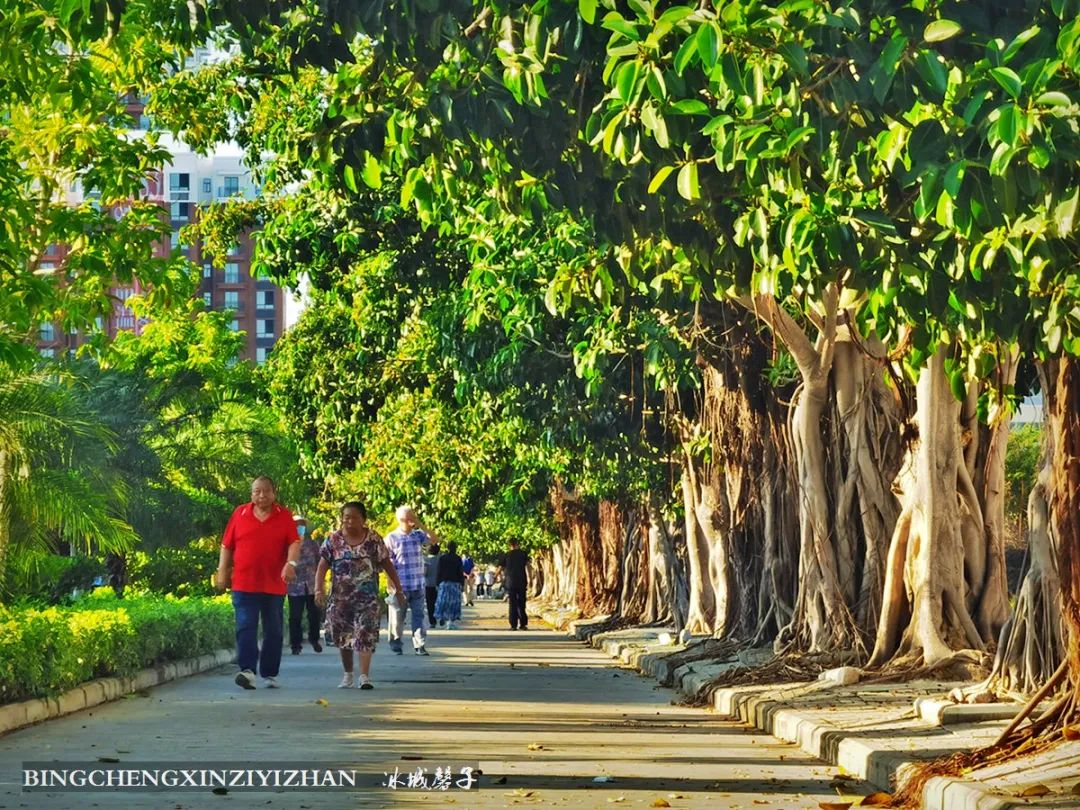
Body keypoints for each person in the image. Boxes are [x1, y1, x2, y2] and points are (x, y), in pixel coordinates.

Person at [216, 475, 301, 689]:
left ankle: (269, 672)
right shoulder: (240, 513)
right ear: (251, 494)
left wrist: (291, 563)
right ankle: (247, 671)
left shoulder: (284, 516)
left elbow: (294, 543)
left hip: (274, 584)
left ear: (274, 493)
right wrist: (222, 572)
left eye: (265, 491)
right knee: (246, 626)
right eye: (256, 491)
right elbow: (227, 545)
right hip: (244, 583)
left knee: (273, 629)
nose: (261, 495)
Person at [315, 502, 406, 689]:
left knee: (366, 634)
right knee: (343, 637)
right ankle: (348, 674)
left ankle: (364, 676)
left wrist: (398, 589)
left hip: (367, 599)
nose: (349, 521)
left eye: (354, 517)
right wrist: (319, 589)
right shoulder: (333, 540)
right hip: (341, 599)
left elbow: (388, 565)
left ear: (363, 519)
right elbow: (322, 566)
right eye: (346, 517)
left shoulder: (373, 539)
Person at [383, 505, 430, 656]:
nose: (413, 519)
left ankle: (419, 645)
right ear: (402, 519)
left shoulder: (418, 535)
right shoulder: (391, 538)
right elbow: (386, 563)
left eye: (414, 517)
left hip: (417, 583)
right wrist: (390, 583)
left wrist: (420, 524)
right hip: (400, 585)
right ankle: (396, 643)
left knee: (419, 616)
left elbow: (435, 539)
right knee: (397, 618)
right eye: (410, 517)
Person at [287, 516, 323, 655]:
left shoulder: (312, 544)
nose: (299, 527)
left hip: (312, 585)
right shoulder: (287, 544)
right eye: (296, 525)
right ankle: (296, 645)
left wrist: (321, 585)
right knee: (295, 616)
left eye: (301, 525)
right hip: (294, 587)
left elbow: (321, 563)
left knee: (314, 614)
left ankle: (314, 639)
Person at [434, 541, 465, 629]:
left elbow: (439, 571)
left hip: (444, 583)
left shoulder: (442, 558)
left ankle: (443, 617)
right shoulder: (457, 558)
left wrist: (437, 583)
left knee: (443, 602)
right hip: (455, 583)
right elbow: (460, 572)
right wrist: (462, 584)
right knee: (453, 603)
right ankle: (451, 621)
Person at [502, 538, 529, 631]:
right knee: (522, 603)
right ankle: (523, 624)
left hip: (510, 582)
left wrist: (494, 577)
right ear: (518, 544)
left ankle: (513, 625)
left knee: (512, 604)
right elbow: (528, 566)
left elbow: (500, 567)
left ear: (509, 545)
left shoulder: (507, 555)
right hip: (522, 581)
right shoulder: (523, 554)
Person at [423, 543, 440, 626]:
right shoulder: (440, 560)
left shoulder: (426, 560)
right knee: (439, 602)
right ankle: (440, 616)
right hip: (439, 584)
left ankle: (432, 621)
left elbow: (424, 573)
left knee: (430, 603)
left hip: (428, 584)